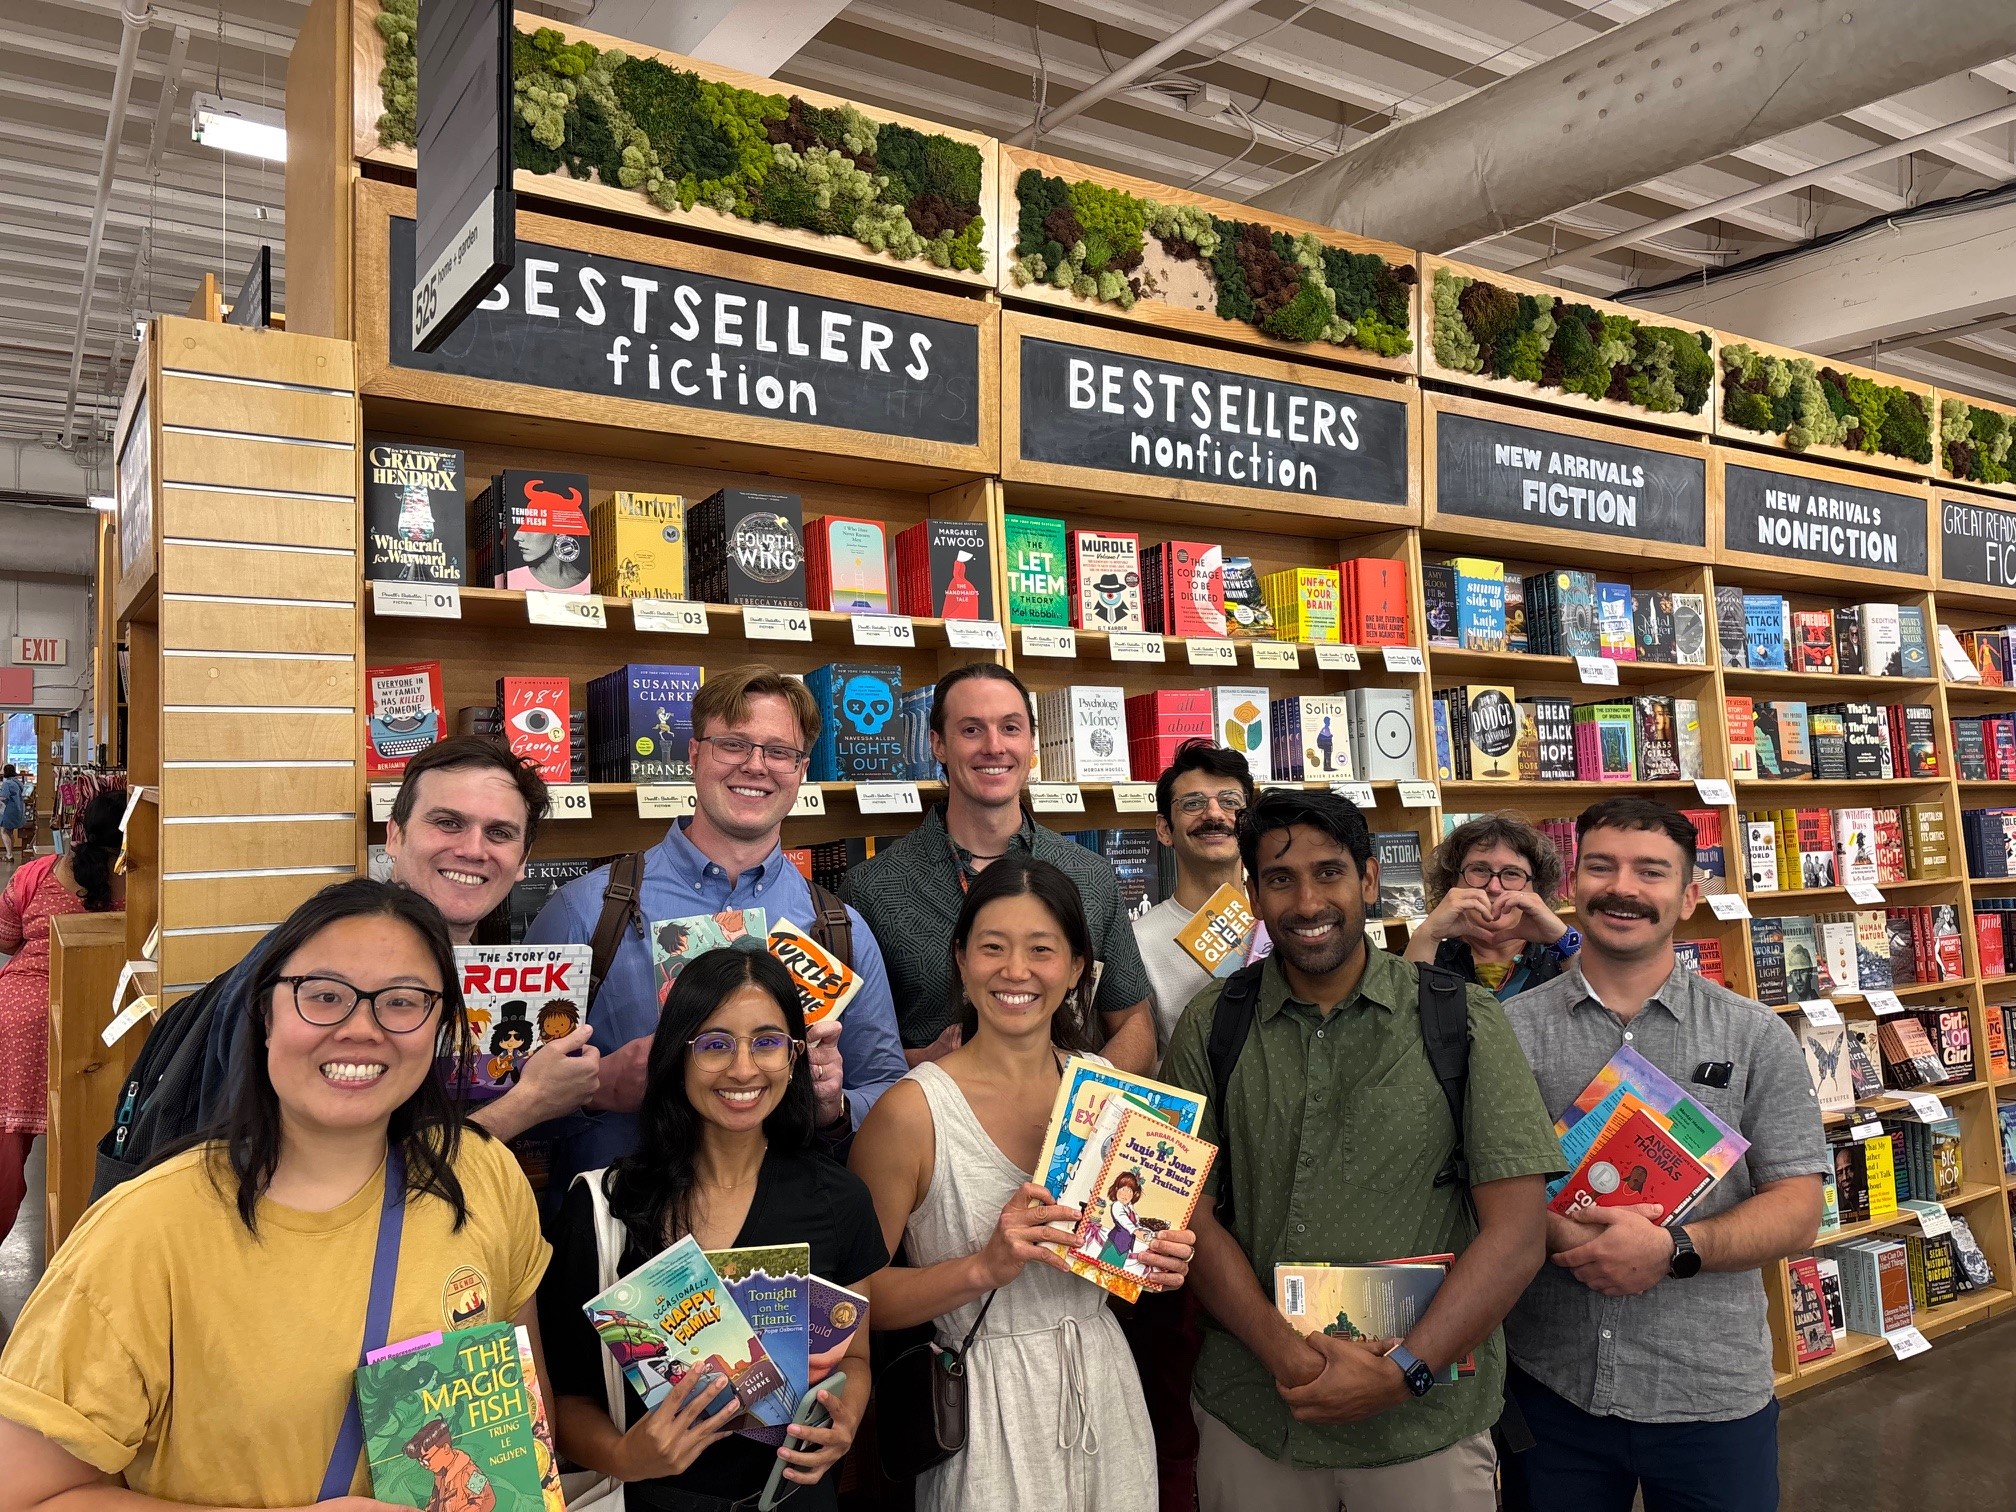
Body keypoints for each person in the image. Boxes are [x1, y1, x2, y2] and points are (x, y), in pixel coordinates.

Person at [0, 878, 551, 1508]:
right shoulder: (146, 1231)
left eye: (402, 1002)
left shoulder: (481, 1175)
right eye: (324, 995)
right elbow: (24, 1493)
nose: (361, 1028)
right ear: (266, 1016)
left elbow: (524, 1440)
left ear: (441, 1026)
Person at [1160, 788, 1563, 1512]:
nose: (1307, 900)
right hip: (1256, 1412)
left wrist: (1405, 1368)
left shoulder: (1460, 1019)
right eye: (1280, 879)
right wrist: (1289, 1357)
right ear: (1254, 894)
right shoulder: (1209, 1024)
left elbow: (1517, 1232)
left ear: (1370, 881)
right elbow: (1189, 1212)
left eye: (1329, 872)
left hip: (1424, 1420)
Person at [1499, 798, 1826, 1512]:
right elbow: (1481, 1185)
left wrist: (1675, 1247)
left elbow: (1800, 1209)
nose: (1624, 888)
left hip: (1710, 1393)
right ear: (1572, 884)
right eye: (1602, 867)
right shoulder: (1507, 1031)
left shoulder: (1755, 1035)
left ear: (1689, 896)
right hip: (1550, 1389)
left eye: (1652, 872)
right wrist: (1553, 1230)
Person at [100, 736, 599, 1194]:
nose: (472, 849)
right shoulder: (317, 971)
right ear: (396, 836)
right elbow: (311, 1177)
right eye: (447, 822)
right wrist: (524, 1107)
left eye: (500, 833)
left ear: (524, 858)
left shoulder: (456, 964)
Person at [851, 856, 1194, 1512]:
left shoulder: (1107, 1094)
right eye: (992, 948)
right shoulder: (912, 1112)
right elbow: (857, 1300)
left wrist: (1154, 1260)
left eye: (1042, 950)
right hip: (983, 1405)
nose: (1015, 972)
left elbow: (1120, 1262)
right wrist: (982, 1267)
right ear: (960, 959)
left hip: (1105, 1390)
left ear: (1075, 969)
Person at [526, 666, 906, 1193]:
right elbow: (502, 1097)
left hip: (780, 1237)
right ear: (694, 755)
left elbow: (885, 1091)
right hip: (621, 1240)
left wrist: (833, 1104)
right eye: (733, 744)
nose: (756, 766)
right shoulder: (586, 912)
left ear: (800, 770)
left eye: (779, 752)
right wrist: (597, 1087)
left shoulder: (839, 929)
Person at [538, 945, 881, 1511]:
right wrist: (627, 1456)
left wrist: (844, 1421)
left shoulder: (838, 1199)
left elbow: (854, 1359)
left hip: (792, 1500)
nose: (743, 1069)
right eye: (716, 1045)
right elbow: (563, 1400)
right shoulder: (605, 1207)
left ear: (794, 1057)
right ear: (677, 1055)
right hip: (658, 1503)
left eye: (767, 1042)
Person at [841, 664, 1156, 1072]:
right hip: (935, 1126)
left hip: (1065, 1127)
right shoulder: (871, 888)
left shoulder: (1090, 876)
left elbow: (1134, 1022)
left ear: (1031, 743)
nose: (994, 746)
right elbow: (848, 1054)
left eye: (1010, 728)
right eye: (971, 730)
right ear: (937, 744)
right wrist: (926, 1062)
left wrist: (1080, 1106)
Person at [0, 792, 123, 1247]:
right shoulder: (140, 883)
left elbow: (6, 936)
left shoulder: (36, 873)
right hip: (96, 1019)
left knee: (7, 1146)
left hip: (16, 1014)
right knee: (86, 1137)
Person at [1133, 741, 1255, 1060]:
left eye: (1230, 801)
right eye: (1192, 803)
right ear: (1164, 830)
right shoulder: (1138, 941)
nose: (1214, 813)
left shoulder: (1283, 922)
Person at [1405, 813, 1577, 1002]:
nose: (1494, 888)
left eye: (1512, 873)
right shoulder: (1424, 951)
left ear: (1537, 888)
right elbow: (1398, 1022)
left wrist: (1562, 937)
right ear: (1452, 883)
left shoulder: (1559, 957)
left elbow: (1606, 1009)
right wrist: (1426, 934)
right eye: (1479, 870)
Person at [0, 766, 23, 864]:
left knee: (4, 831)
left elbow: (3, 797)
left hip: (8, 810)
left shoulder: (7, 784)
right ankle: (10, 853)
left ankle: (9, 855)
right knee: (10, 832)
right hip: (17, 809)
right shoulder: (18, 782)